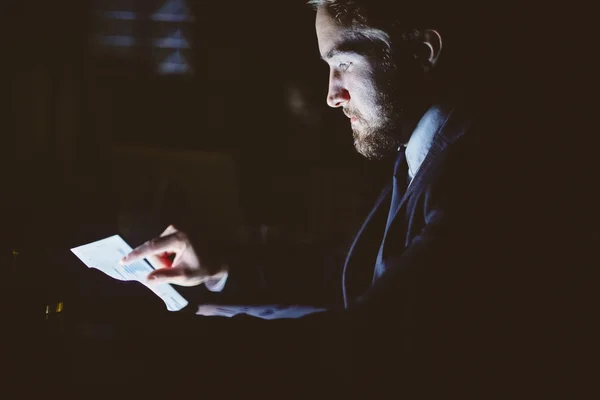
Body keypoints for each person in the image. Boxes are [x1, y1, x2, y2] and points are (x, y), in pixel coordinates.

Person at [120, 0, 516, 397]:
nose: (332, 94)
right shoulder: (421, 149)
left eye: (344, 62)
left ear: (423, 52)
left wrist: (173, 341)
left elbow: (374, 343)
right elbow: (346, 272)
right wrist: (220, 269)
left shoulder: (478, 170)